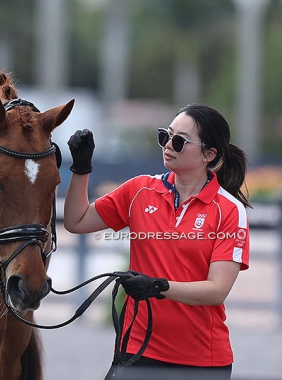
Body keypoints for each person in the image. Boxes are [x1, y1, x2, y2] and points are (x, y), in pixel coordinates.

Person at [64, 104, 250, 380]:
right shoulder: (139, 190)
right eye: (166, 136)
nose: (168, 145)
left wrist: (157, 286)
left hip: (201, 362)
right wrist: (81, 169)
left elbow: (217, 290)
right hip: (137, 351)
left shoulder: (230, 210)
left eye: (179, 141)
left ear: (209, 154)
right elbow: (76, 221)